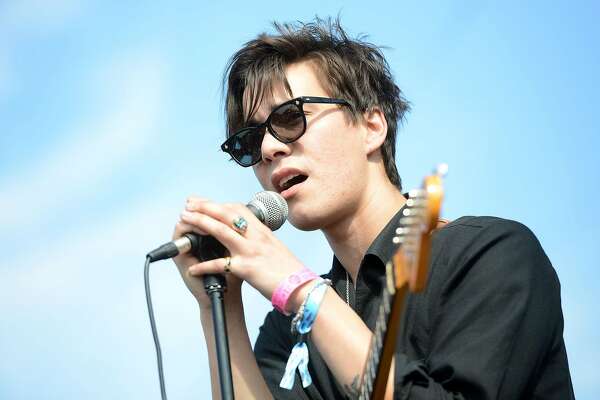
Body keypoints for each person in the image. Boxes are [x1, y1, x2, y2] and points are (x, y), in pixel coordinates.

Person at [171, 18, 574, 399]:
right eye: (248, 141)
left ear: (372, 126)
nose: (268, 149)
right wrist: (219, 306)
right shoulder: (289, 327)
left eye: (291, 117)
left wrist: (300, 288)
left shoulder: (488, 254)